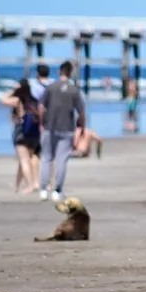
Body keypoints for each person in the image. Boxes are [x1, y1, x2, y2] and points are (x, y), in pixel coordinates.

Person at [39, 61, 86, 202]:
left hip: (49, 127)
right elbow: (81, 112)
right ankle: (57, 190)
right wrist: (81, 126)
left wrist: (42, 122)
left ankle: (43, 189)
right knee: (61, 160)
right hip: (66, 128)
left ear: (60, 72)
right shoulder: (74, 90)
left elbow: (41, 107)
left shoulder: (51, 88)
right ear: (71, 72)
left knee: (46, 158)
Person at [2, 79, 42, 194]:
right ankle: (18, 184)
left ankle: (30, 185)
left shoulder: (18, 100)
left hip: (21, 132)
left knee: (24, 159)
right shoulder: (34, 100)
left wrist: (13, 90)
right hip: (34, 133)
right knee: (27, 158)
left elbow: (4, 100)